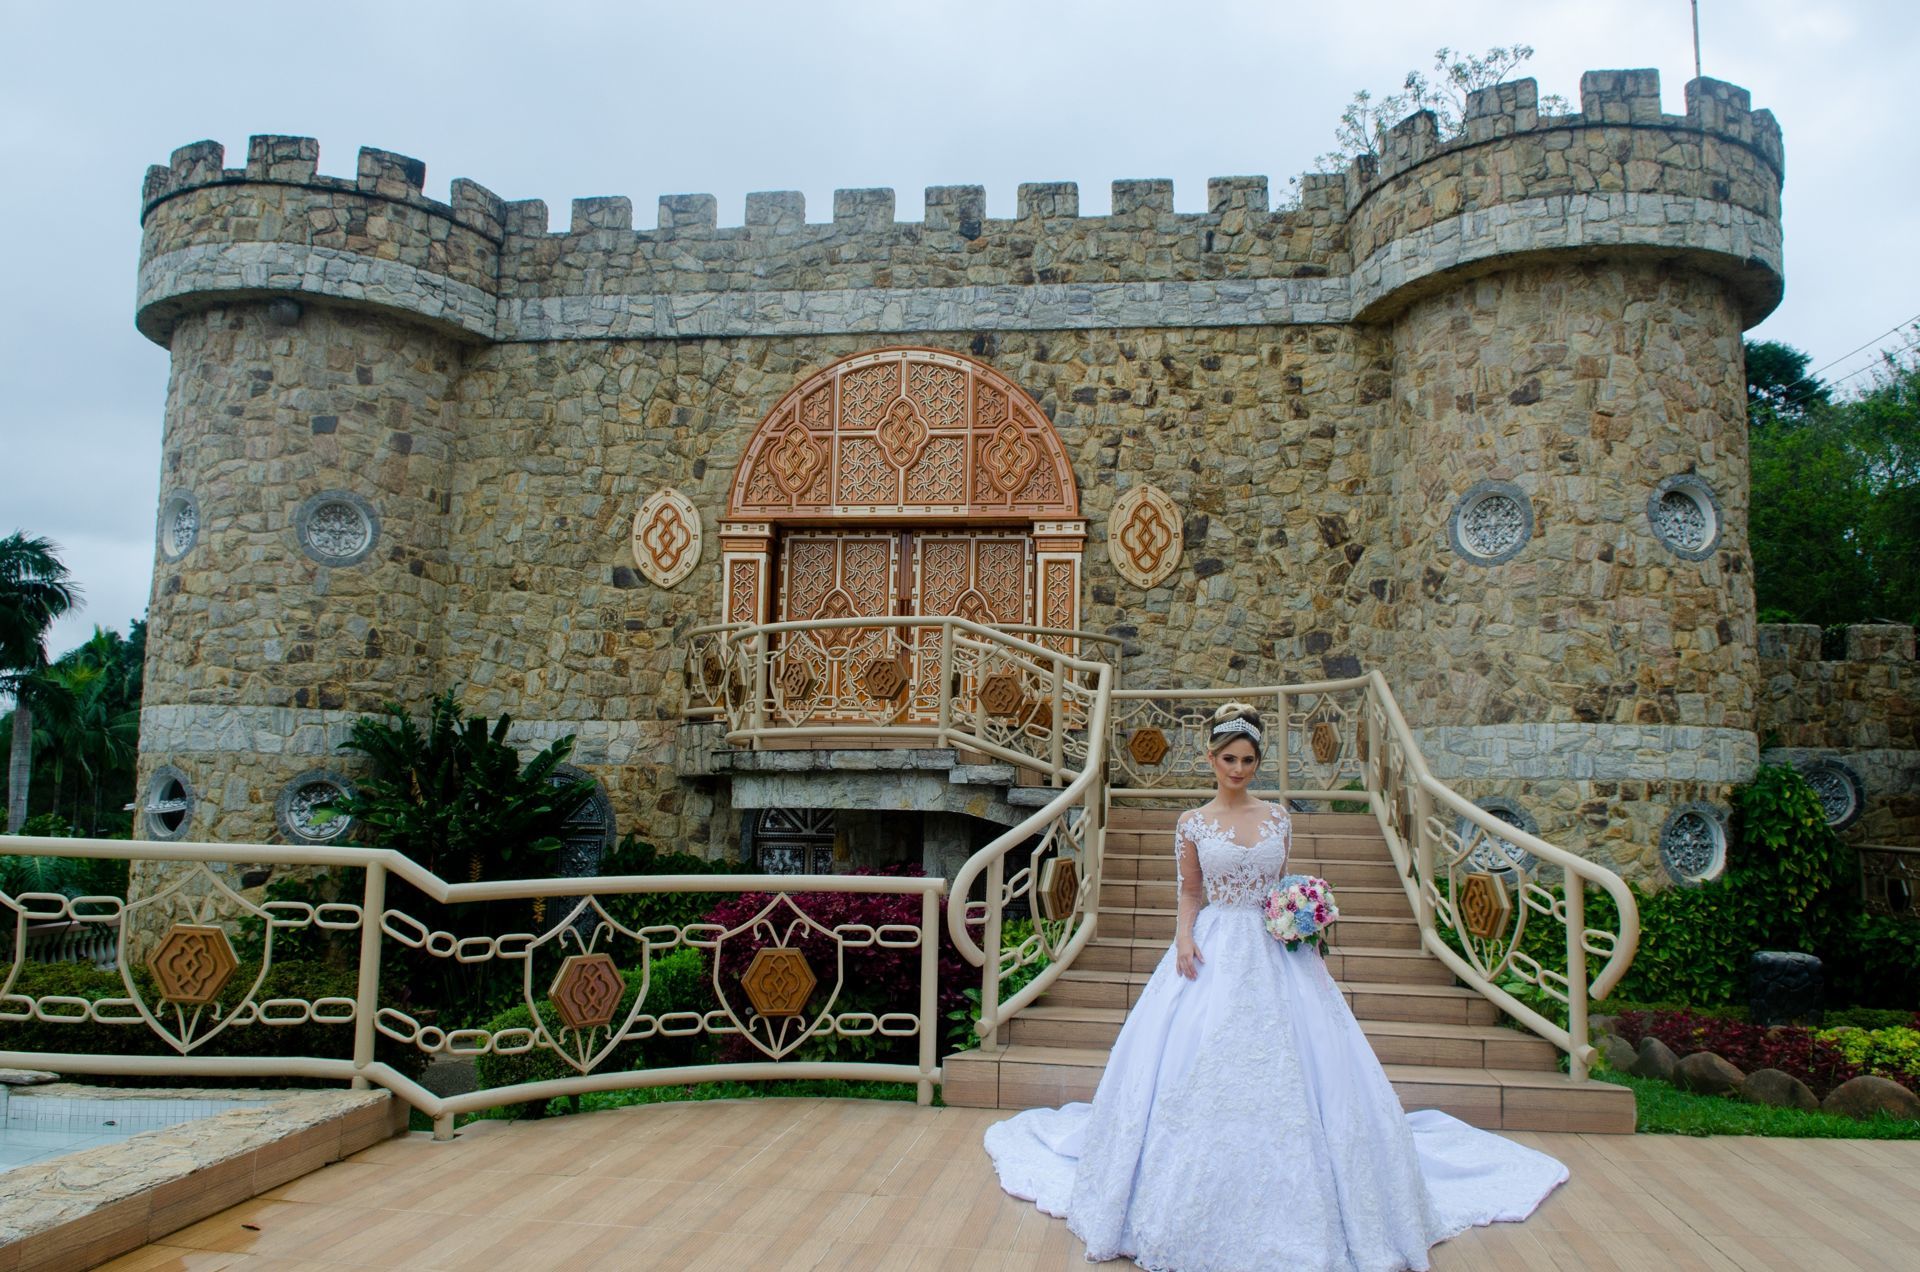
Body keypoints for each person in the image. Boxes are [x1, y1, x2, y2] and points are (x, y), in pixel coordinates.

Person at [983, 702, 1568, 1272]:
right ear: (1211, 759)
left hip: (1275, 951)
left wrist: (1300, 914)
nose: (1238, 769)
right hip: (1213, 945)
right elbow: (1191, 891)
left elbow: (1280, 882)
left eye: (1248, 760)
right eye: (1229, 759)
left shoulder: (1279, 818)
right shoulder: (1191, 824)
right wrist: (1183, 937)